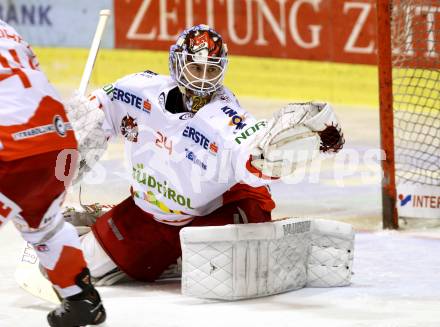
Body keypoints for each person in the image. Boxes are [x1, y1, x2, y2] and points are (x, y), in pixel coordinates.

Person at [67, 24, 344, 284]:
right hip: (152, 213)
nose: (202, 80)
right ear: (177, 65)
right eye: (195, 68)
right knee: (81, 269)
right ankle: (129, 225)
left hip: (223, 206)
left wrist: (286, 147)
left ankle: (186, 252)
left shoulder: (224, 116)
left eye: (211, 71)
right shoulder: (138, 91)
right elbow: (99, 106)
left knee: (217, 258)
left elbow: (253, 151)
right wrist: (77, 135)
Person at [0, 20, 106, 326]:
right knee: (45, 226)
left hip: (12, 154)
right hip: (58, 142)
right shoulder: (7, 28)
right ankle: (82, 299)